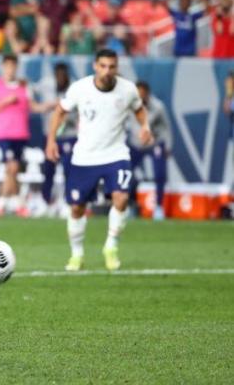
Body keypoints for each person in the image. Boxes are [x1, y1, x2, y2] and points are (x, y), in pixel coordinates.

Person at [46, 49, 153, 272]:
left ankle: (111, 247)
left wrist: (145, 127)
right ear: (95, 66)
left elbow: (139, 109)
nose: (107, 71)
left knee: (121, 198)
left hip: (116, 154)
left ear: (117, 68)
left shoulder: (128, 89)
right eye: (103, 66)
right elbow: (60, 111)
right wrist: (51, 141)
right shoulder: (80, 88)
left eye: (111, 66)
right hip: (85, 156)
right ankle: (77, 254)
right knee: (76, 207)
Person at [0, 55, 50, 216]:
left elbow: (33, 107)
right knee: (11, 167)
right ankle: (18, 203)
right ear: (3, 67)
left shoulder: (24, 86)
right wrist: (5, 102)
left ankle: (1, 203)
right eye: (7, 66)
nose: (10, 69)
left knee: (13, 170)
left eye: (13, 66)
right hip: (3, 133)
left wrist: (50, 106)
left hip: (20, 133)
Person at [37, 62, 77, 217]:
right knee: (48, 169)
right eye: (58, 75)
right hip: (50, 135)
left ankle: (67, 202)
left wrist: (65, 113)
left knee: (69, 169)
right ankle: (45, 200)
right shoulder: (47, 85)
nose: (60, 78)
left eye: (63, 74)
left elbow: (78, 110)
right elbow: (34, 91)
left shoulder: (74, 88)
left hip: (69, 135)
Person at [128, 81, 171, 221]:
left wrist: (168, 146)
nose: (140, 96)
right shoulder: (130, 106)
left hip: (155, 142)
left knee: (160, 174)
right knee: (126, 173)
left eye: (143, 93)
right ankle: (130, 204)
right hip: (137, 143)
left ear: (147, 93)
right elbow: (129, 126)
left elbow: (166, 127)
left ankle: (158, 206)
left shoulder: (158, 107)